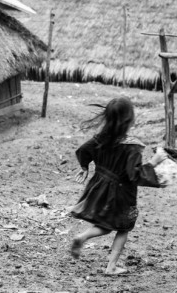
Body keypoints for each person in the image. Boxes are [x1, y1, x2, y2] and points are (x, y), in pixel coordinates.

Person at [70, 97, 167, 275]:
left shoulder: (100, 138)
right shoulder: (133, 147)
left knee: (106, 223)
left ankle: (82, 237)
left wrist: (85, 167)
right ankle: (111, 267)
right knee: (123, 227)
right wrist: (154, 162)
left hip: (99, 187)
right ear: (129, 119)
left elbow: (84, 150)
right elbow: (134, 175)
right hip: (121, 193)